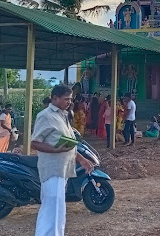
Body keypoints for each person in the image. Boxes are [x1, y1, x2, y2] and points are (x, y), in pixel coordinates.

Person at [31, 85, 94, 236]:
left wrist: (82, 159)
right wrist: (55, 150)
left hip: (63, 169)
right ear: (54, 98)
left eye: (70, 99)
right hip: (51, 169)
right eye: (66, 99)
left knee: (58, 208)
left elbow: (70, 143)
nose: (69, 102)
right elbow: (35, 142)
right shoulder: (45, 116)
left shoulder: (64, 115)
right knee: (51, 207)